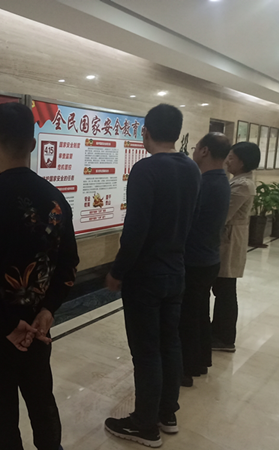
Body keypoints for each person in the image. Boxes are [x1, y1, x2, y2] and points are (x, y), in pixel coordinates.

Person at [0, 102, 79, 450]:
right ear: (33, 143)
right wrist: (47, 310)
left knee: (1, 417)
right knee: (42, 403)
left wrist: (9, 325)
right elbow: (68, 265)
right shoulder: (55, 199)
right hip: (38, 329)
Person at [103, 104, 201, 448]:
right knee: (169, 343)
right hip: (176, 270)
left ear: (145, 131)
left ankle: (144, 425)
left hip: (146, 277)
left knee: (146, 350)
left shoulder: (145, 169)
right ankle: (166, 413)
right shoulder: (192, 169)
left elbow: (136, 230)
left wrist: (117, 271)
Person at [179, 133, 231, 387]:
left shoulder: (205, 183)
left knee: (187, 316)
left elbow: (187, 221)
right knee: (199, 312)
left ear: (204, 151)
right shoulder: (221, 180)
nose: (194, 150)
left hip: (195, 259)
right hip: (209, 258)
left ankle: (185, 368)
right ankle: (199, 362)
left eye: (196, 146)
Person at [211, 142, 260, 352]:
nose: (227, 161)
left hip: (230, 241)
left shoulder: (243, 185)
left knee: (225, 290)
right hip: (228, 239)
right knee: (222, 289)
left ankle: (224, 338)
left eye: (231, 157)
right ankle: (218, 332)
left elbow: (222, 214)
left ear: (242, 161)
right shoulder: (238, 180)